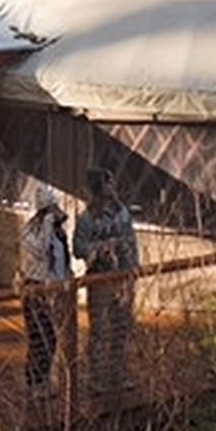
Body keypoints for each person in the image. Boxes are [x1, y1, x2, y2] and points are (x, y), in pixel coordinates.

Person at [73, 167, 138, 391]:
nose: (113, 188)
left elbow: (132, 240)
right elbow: (78, 248)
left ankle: (118, 374)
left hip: (122, 276)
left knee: (121, 328)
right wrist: (99, 249)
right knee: (98, 330)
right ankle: (96, 378)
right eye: (108, 183)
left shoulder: (123, 213)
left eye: (113, 183)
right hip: (99, 280)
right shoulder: (87, 218)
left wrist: (132, 273)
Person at [17, 185, 71, 392]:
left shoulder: (58, 234)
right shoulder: (29, 232)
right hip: (35, 287)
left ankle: (44, 378)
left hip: (53, 289)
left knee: (51, 336)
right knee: (40, 335)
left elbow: (61, 260)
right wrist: (48, 224)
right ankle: (34, 381)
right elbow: (39, 251)